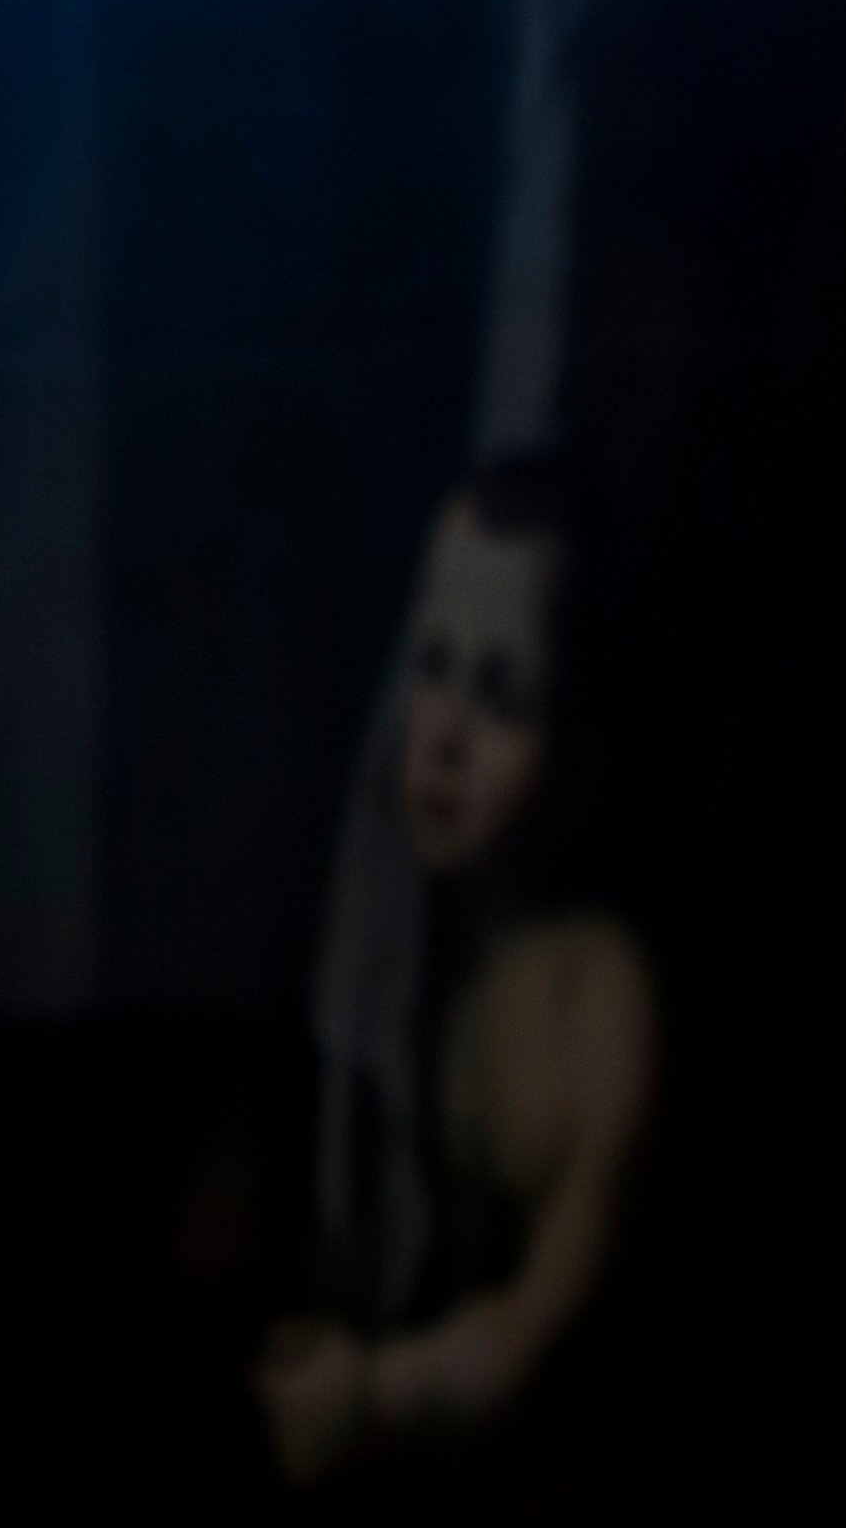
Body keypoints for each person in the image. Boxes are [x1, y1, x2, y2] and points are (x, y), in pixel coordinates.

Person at [256, 457, 654, 1490]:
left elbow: (537, 1337)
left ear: (580, 726)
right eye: (431, 665)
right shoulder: (401, 921)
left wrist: (377, 1392)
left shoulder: (602, 1007)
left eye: (503, 696)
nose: (439, 741)